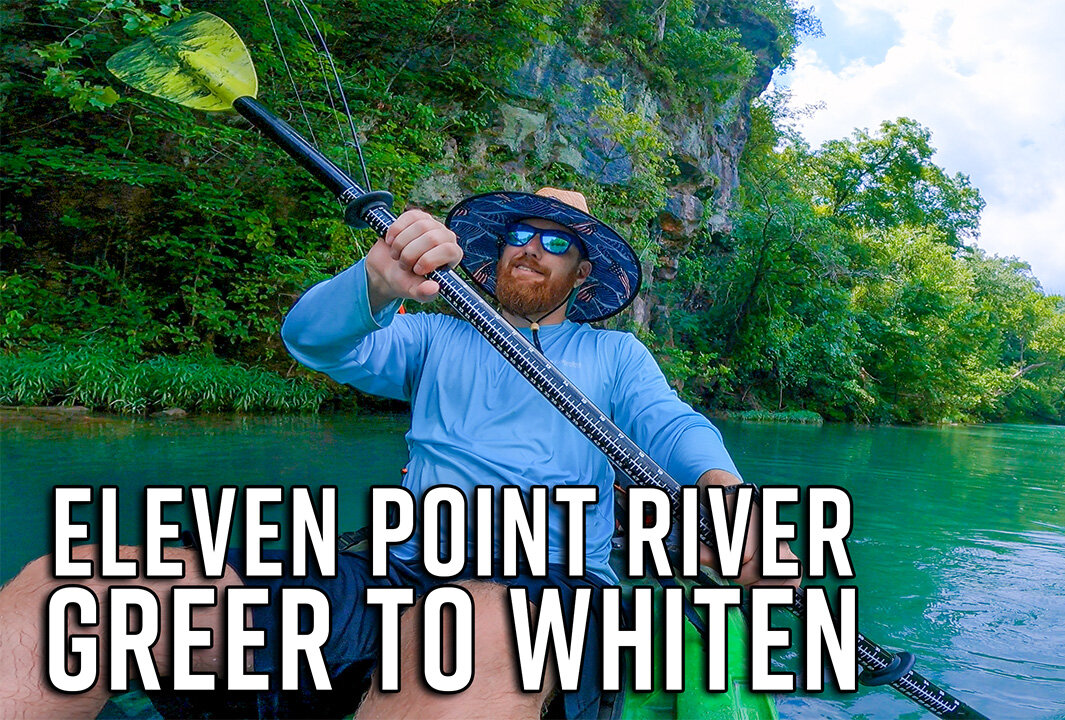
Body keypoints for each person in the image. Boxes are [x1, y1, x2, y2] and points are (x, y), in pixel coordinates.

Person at [0, 187, 796, 720]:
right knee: (84, 587)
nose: (534, 248)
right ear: (499, 248)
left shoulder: (616, 357)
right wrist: (375, 282)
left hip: (546, 587)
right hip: (396, 564)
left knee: (478, 626)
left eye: (557, 241)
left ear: (581, 273)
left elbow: (672, 426)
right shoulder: (433, 329)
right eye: (522, 232)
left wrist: (723, 485)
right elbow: (312, 338)